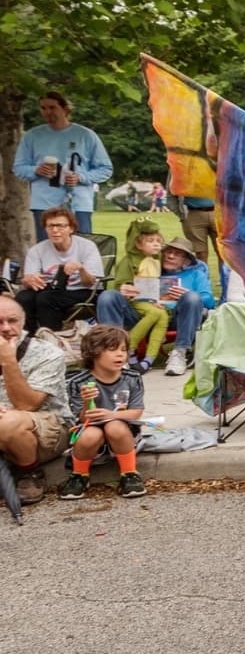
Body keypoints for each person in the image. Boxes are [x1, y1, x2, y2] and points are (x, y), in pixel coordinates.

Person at [96, 236, 214, 378]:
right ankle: (114, 351)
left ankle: (179, 353)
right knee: (108, 296)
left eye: (177, 254)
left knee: (193, 298)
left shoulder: (196, 274)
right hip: (141, 316)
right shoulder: (150, 267)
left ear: (186, 260)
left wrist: (187, 294)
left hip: (176, 319)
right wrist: (125, 288)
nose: (170, 256)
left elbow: (210, 301)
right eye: (168, 252)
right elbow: (125, 281)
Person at [59, 325, 147, 500]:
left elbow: (136, 412)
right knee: (90, 434)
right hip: (91, 430)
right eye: (112, 349)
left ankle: (129, 473)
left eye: (124, 349)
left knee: (114, 426)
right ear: (94, 352)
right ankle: (79, 475)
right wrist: (86, 401)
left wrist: (112, 415)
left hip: (122, 432)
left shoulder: (132, 377)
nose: (121, 354)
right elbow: (82, 418)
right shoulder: (78, 382)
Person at [0, 296, 72, 504]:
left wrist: (7, 360)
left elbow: (27, 405)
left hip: (44, 429)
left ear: (22, 322)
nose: (6, 328)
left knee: (8, 423)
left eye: (12, 321)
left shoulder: (48, 353)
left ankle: (29, 473)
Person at [12, 91, 113, 238]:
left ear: (65, 109)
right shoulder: (32, 136)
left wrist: (81, 177)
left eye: (52, 107)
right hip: (44, 204)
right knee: (46, 249)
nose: (47, 112)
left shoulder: (86, 135)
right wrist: (36, 170)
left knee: (80, 249)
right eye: (43, 108)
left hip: (79, 204)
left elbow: (105, 169)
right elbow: (19, 168)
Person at [17, 206, 103, 334]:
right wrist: (29, 280)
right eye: (50, 226)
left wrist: (81, 269)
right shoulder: (37, 250)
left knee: (46, 298)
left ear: (71, 228)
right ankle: (28, 338)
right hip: (49, 288)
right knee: (23, 297)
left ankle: (51, 339)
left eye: (60, 226)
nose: (55, 230)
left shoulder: (87, 247)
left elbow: (90, 283)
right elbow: (29, 279)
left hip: (82, 291)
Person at [119, 220, 172, 371]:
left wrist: (158, 299)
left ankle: (149, 358)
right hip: (136, 299)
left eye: (158, 241)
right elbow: (122, 282)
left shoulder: (156, 260)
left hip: (152, 299)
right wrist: (126, 287)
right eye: (150, 241)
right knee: (155, 313)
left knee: (162, 316)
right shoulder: (130, 261)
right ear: (138, 244)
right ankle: (129, 348)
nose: (156, 244)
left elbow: (158, 283)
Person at [179, 194, 219, 264]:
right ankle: (203, 274)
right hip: (194, 214)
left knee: (223, 252)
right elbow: (171, 194)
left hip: (220, 212)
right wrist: (181, 214)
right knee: (200, 253)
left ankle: (225, 275)